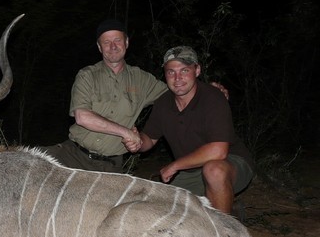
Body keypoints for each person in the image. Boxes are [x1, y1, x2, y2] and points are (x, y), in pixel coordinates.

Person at [40, 19, 227, 174]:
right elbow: (82, 117)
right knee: (25, 164)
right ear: (99, 47)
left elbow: (178, 89)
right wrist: (126, 132)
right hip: (72, 154)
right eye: (106, 42)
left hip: (110, 166)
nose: (113, 46)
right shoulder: (86, 75)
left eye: (118, 40)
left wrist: (208, 88)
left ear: (126, 43)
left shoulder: (142, 79)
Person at [124, 46, 254, 214]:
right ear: (165, 74)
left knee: (213, 170)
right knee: (158, 206)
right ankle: (229, 207)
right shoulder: (163, 103)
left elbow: (218, 151)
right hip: (190, 170)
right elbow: (150, 138)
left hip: (231, 163)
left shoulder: (213, 97)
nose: (177, 78)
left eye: (184, 70)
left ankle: (224, 231)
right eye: (171, 72)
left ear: (197, 70)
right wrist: (137, 142)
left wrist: (175, 166)